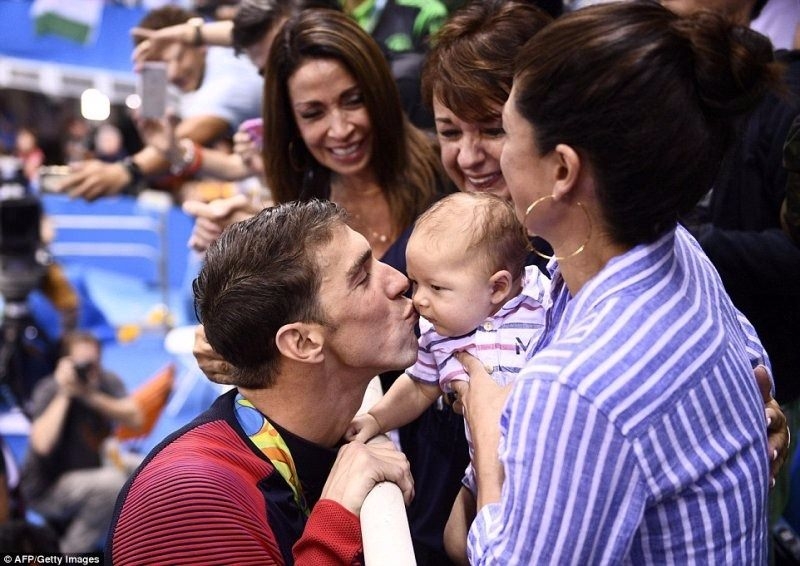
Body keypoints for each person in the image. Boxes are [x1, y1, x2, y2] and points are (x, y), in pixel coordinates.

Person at [456, 2, 783, 562]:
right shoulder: (676, 248)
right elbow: (755, 377)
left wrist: (487, 436)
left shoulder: (577, 387)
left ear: (563, 170)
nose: (490, 158)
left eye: (504, 132)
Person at [107, 200, 416, 565]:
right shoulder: (186, 500)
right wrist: (335, 523)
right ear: (302, 343)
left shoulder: (295, 447)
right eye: (362, 277)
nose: (399, 280)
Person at [58, 6, 262, 201]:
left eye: (177, 57)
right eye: (161, 67)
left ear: (200, 45)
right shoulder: (201, 74)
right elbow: (233, 167)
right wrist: (174, 151)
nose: (172, 73)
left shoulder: (230, 77)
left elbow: (192, 132)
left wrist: (126, 171)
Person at [20, 331, 143, 553]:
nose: (89, 370)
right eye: (83, 364)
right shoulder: (49, 389)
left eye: (94, 363)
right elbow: (42, 445)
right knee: (111, 485)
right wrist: (66, 393)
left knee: (147, 468)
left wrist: (88, 395)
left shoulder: (105, 380)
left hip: (93, 466)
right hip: (49, 487)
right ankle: (68, 554)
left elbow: (136, 419)